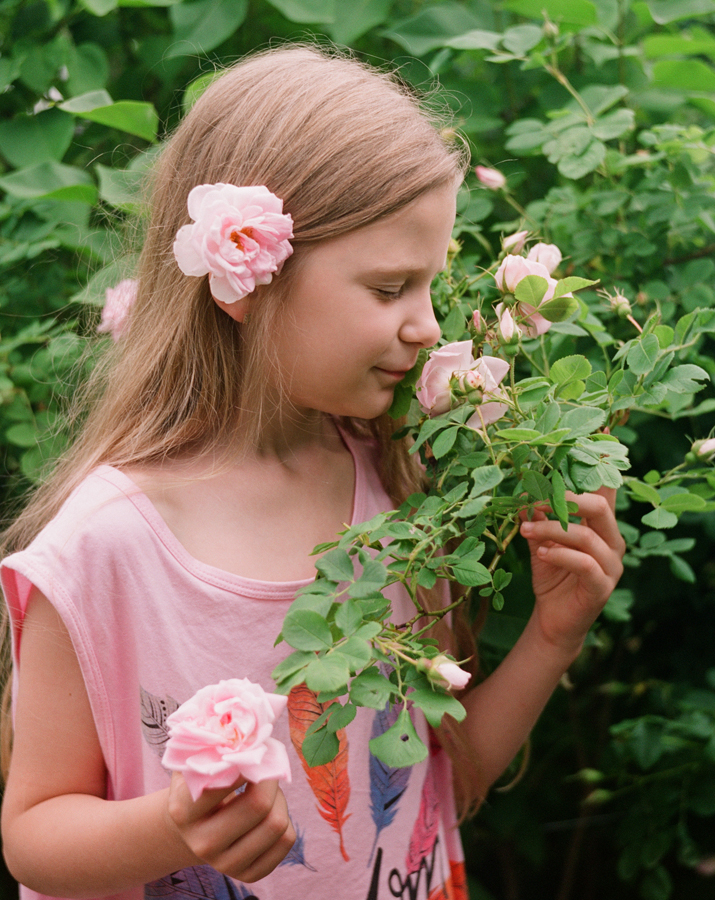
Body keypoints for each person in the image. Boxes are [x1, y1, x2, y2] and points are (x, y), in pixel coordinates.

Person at [0, 45, 625, 900]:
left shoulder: (393, 487)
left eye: (430, 286)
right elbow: (33, 835)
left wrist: (555, 635)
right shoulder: (107, 545)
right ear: (245, 275)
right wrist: (175, 827)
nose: (425, 325)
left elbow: (451, 774)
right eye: (389, 288)